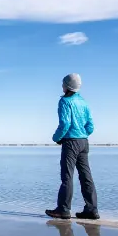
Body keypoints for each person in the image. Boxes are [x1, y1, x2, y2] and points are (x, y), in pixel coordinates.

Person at [45, 73, 99, 220]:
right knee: (86, 176)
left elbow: (65, 124)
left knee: (67, 177)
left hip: (70, 142)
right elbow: (90, 125)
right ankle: (92, 210)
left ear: (68, 86)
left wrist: (56, 138)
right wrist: (82, 134)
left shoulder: (65, 101)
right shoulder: (84, 102)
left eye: (63, 83)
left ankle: (63, 210)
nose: (62, 86)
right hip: (83, 142)